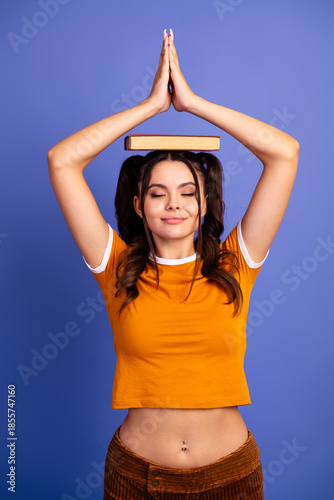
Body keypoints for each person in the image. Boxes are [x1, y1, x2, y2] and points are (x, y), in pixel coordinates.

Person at [47, 29, 299, 499]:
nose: (173, 204)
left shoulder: (235, 262)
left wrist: (191, 104)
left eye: (188, 192)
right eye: (158, 193)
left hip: (232, 476)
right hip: (136, 477)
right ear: (139, 205)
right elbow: (62, 160)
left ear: (205, 204)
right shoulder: (116, 267)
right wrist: (149, 108)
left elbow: (284, 153)